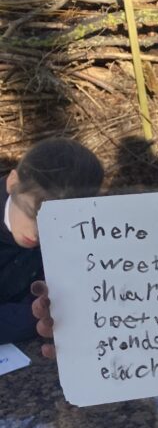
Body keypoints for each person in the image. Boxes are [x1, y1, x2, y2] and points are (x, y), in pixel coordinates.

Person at [1, 138, 103, 345]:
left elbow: (65, 297)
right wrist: (37, 314)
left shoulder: (79, 230)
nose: (39, 233)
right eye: (32, 214)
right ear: (12, 182)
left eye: (58, 222)